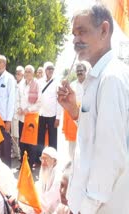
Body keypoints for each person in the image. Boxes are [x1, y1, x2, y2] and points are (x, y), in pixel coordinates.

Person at [57, 4, 129, 213]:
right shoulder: (98, 77)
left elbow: (110, 156)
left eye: (82, 32)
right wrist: (74, 111)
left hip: (103, 206)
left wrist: (86, 206)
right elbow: (96, 132)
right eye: (74, 34)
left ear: (104, 31)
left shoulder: (111, 78)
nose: (76, 40)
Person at [63, 61, 90, 161]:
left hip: (87, 116)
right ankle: (72, 164)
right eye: (77, 71)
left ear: (85, 71)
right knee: (72, 145)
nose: (79, 72)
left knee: (85, 142)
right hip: (73, 118)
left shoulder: (90, 84)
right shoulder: (72, 85)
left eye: (81, 70)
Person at [18, 65, 41, 166]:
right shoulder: (21, 84)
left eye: (29, 72)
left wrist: (29, 109)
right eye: (26, 71)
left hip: (31, 117)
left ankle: (30, 164)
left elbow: (40, 102)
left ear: (33, 73)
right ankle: (23, 164)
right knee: (22, 142)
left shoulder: (37, 84)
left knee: (31, 143)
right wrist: (19, 107)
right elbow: (18, 98)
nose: (27, 73)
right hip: (22, 117)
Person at [37, 62, 62, 151]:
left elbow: (59, 101)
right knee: (40, 138)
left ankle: (53, 158)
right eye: (48, 68)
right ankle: (39, 158)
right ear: (45, 70)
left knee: (53, 139)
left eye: (52, 68)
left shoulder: (57, 82)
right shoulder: (39, 82)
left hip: (52, 115)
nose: (50, 70)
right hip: (41, 114)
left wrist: (58, 117)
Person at [36, 147, 62, 214]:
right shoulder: (44, 170)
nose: (43, 163)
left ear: (54, 161)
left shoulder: (58, 178)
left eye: (46, 159)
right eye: (42, 159)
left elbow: (49, 201)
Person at [11, 65, 24, 160]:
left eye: (19, 73)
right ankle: (16, 152)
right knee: (14, 135)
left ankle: (21, 153)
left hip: (20, 115)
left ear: (22, 74)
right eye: (16, 73)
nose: (17, 75)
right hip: (12, 113)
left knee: (20, 135)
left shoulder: (24, 84)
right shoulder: (14, 83)